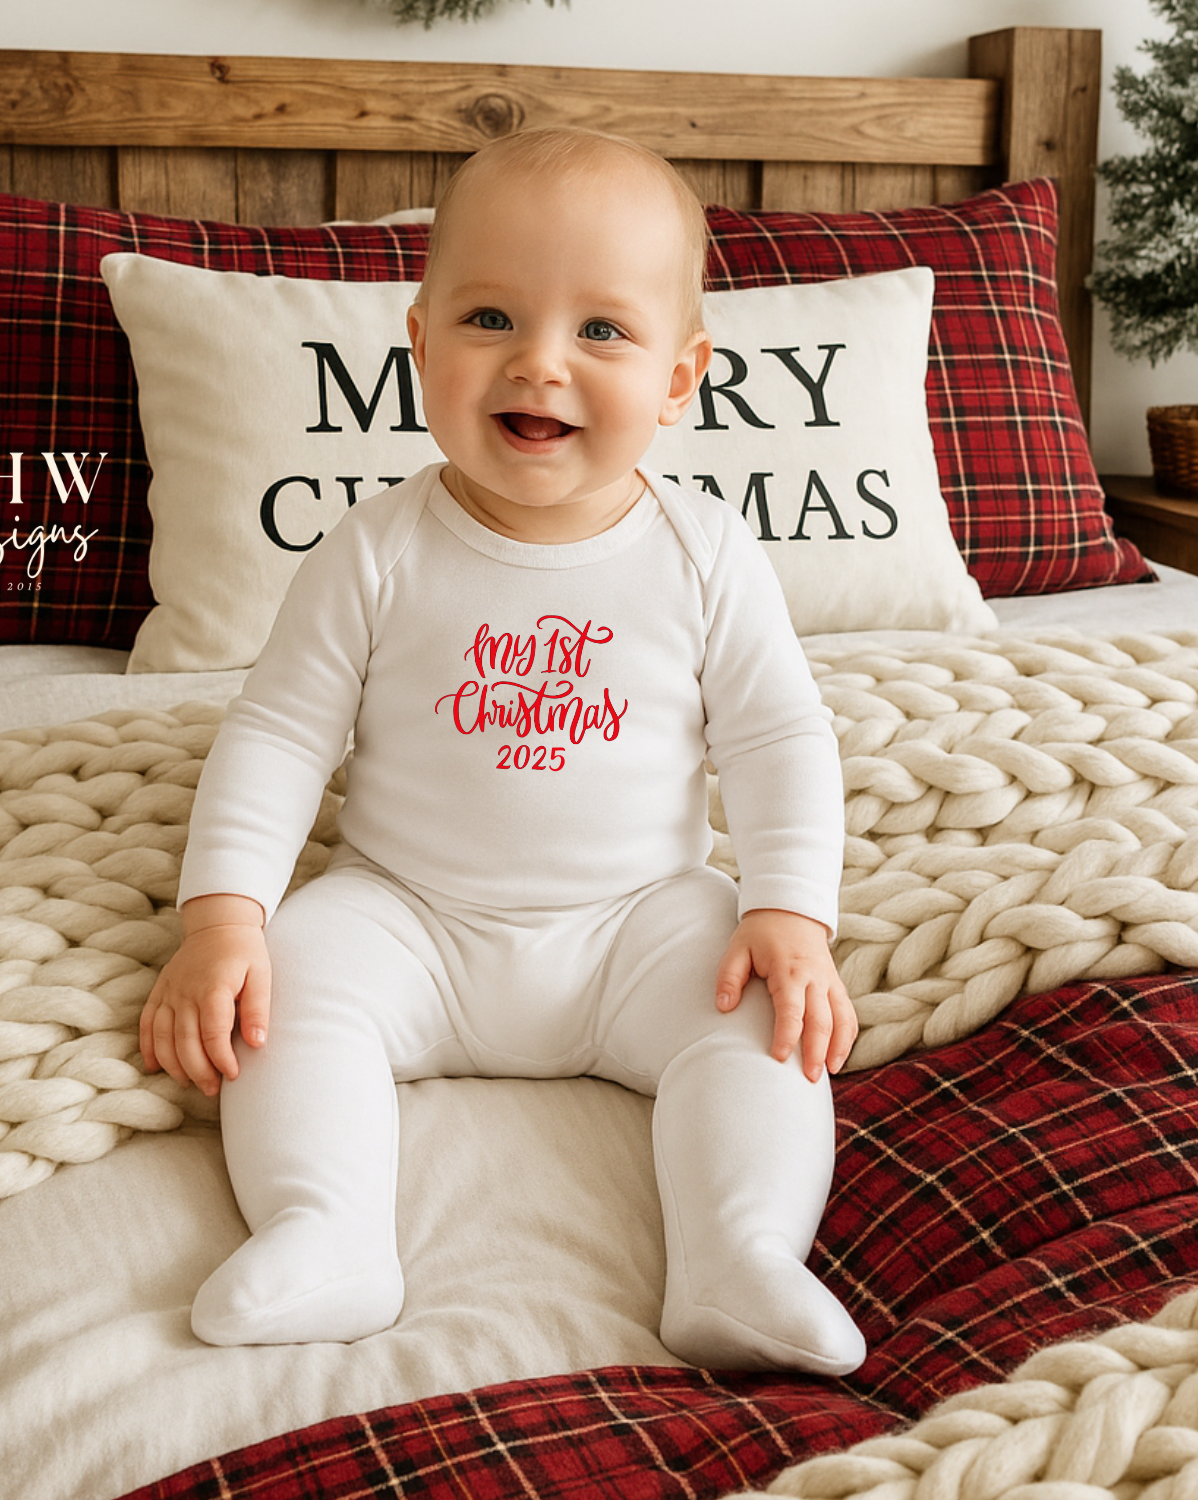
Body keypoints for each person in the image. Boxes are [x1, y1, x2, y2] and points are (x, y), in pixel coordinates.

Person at [139, 125, 865, 1375]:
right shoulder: (374, 551)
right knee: (291, 989)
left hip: (638, 922)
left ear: (682, 377)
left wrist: (792, 912)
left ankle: (738, 1254)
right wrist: (224, 918)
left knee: (764, 1023)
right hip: (410, 914)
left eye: (601, 331)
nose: (539, 363)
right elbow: (276, 735)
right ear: (419, 341)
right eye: (489, 317)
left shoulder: (705, 557)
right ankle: (331, 1231)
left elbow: (779, 736)